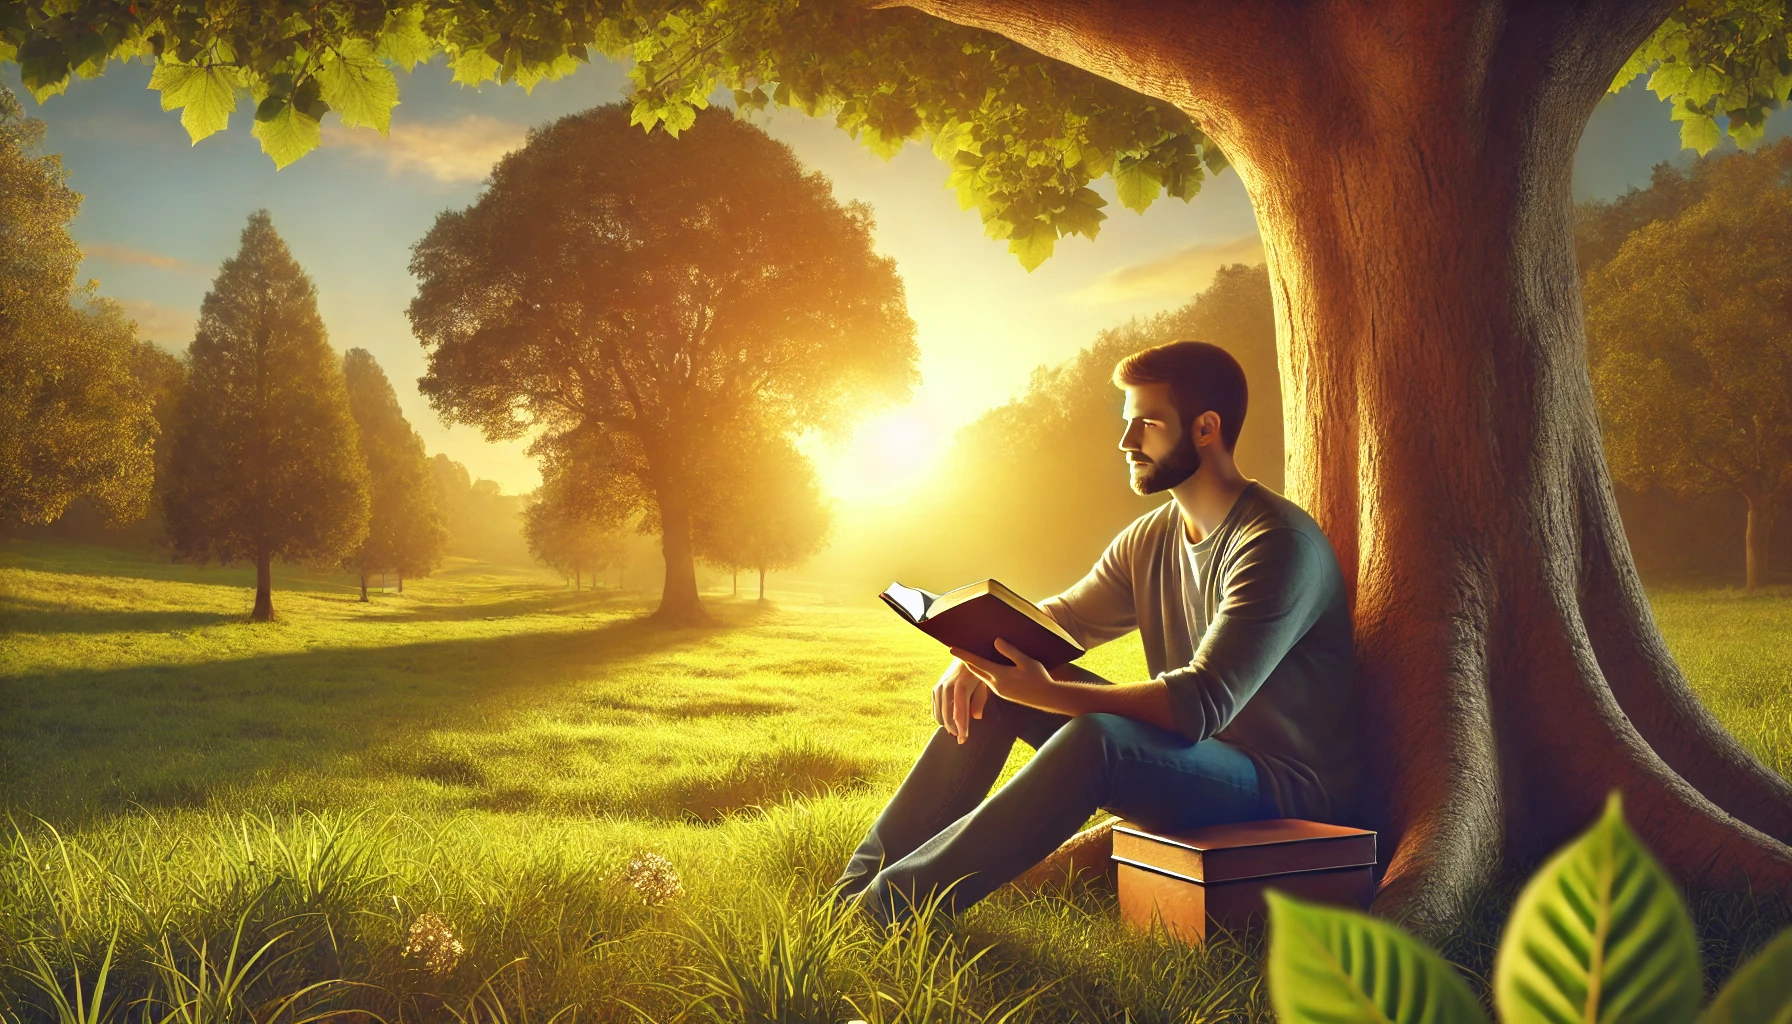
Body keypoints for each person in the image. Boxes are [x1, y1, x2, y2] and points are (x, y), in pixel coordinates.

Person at [835, 340, 1360, 924]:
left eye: (1147, 423)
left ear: (1206, 429)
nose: (1126, 440)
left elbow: (1198, 703)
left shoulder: (1277, 544)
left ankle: (883, 913)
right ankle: (844, 899)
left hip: (1278, 785)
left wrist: (1047, 693)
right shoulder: (1151, 537)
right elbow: (1066, 616)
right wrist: (978, 652)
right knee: (992, 694)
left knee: (1097, 741)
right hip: (1195, 758)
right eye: (1126, 421)